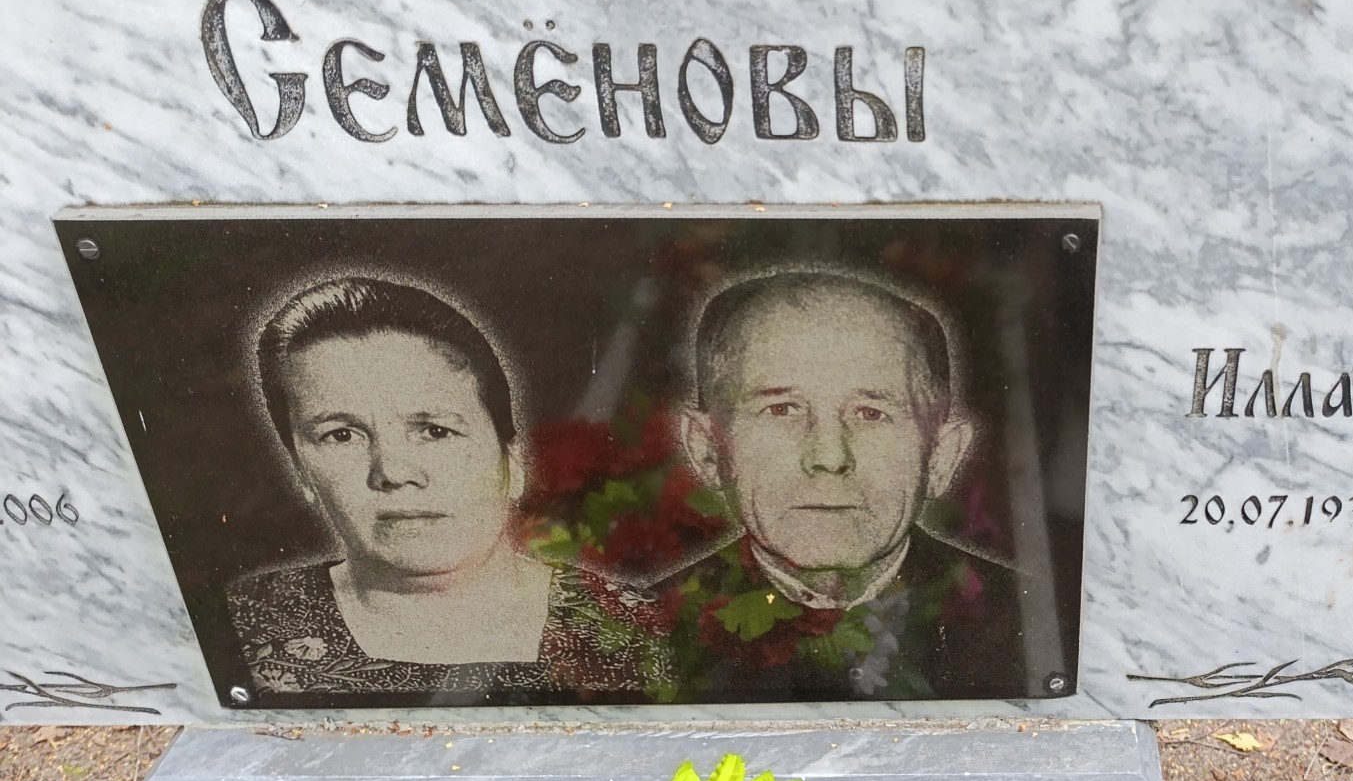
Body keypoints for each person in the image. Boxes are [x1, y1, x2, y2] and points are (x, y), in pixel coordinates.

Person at [227, 276, 675, 701]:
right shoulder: (240, 626)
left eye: (435, 430)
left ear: (512, 460)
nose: (393, 472)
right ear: (302, 471)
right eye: (341, 435)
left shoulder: (649, 635)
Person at [664, 270, 1028, 702]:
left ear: (941, 456)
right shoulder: (647, 629)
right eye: (782, 409)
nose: (830, 458)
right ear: (706, 448)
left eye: (871, 413)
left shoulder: (1029, 624)